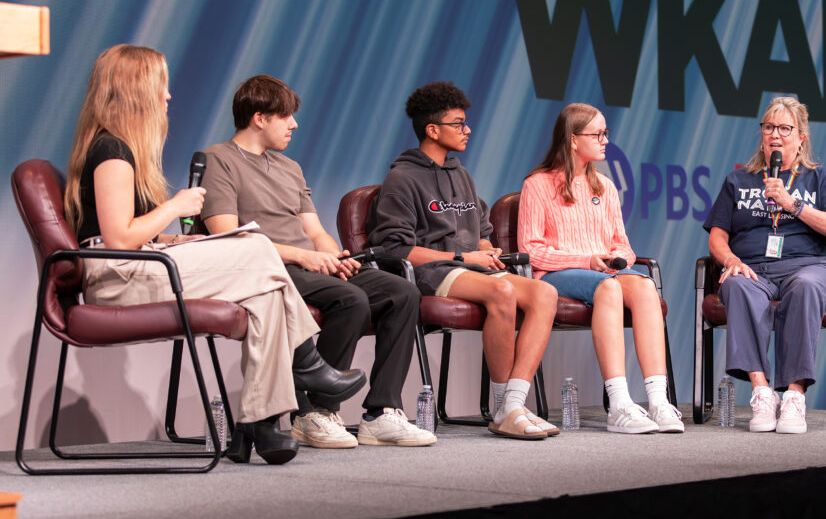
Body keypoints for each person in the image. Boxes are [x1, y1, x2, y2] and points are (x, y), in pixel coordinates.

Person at [64, 45, 365, 465]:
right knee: (257, 247)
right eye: (162, 87)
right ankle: (307, 363)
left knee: (263, 296)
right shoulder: (112, 150)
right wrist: (176, 206)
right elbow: (116, 237)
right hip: (117, 280)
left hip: (138, 264)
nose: (168, 98)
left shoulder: (119, 148)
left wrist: (176, 240)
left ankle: (259, 425)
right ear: (136, 90)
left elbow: (128, 234)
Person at [201, 75, 435, 448]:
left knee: (402, 291)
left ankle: (381, 412)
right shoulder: (218, 160)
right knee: (350, 299)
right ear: (260, 118)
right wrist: (306, 257)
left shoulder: (290, 168)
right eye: (286, 117)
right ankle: (314, 413)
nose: (294, 124)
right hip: (267, 271)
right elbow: (229, 238)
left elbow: (315, 230)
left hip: (307, 263)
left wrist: (331, 255)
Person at [368, 81, 559, 441]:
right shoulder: (401, 178)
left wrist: (486, 250)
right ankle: (505, 407)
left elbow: (481, 230)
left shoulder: (462, 175)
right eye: (458, 124)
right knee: (502, 292)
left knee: (544, 294)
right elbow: (396, 249)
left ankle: (512, 405)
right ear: (432, 130)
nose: (467, 130)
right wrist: (461, 256)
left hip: (471, 268)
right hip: (431, 272)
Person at [518, 103, 684, 434]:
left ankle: (658, 401)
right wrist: (586, 260)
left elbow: (622, 243)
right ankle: (619, 405)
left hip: (602, 272)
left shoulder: (604, 186)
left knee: (645, 286)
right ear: (573, 139)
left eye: (606, 133)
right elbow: (531, 251)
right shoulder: (537, 184)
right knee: (608, 288)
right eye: (598, 134)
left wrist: (616, 259)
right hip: (557, 276)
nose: (606, 140)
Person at [704, 96, 826, 434]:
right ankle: (761, 391)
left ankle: (795, 395)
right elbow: (716, 237)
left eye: (785, 128)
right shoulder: (738, 180)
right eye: (769, 127)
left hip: (805, 267)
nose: (775, 135)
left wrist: (790, 203)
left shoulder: (820, 178)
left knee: (808, 286)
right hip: (753, 268)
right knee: (735, 283)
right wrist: (731, 260)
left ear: (801, 137)